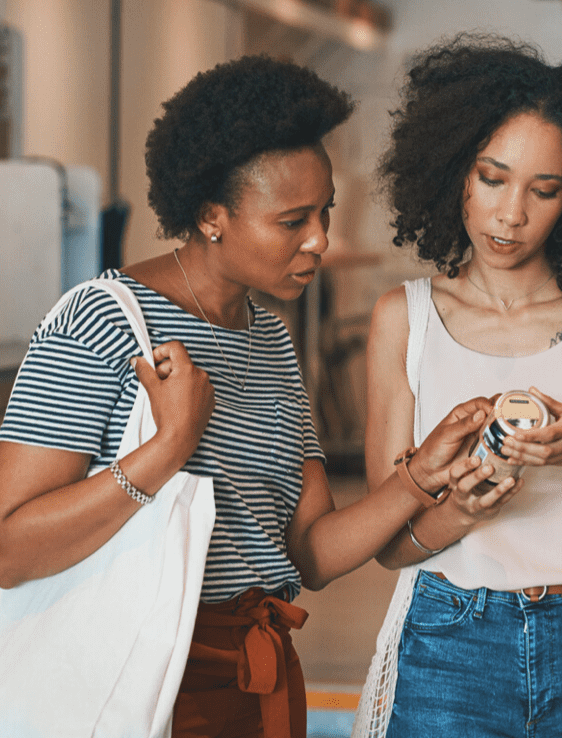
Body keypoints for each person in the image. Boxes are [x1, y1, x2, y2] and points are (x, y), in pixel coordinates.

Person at [0, 55, 506, 738]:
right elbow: (10, 550)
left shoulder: (268, 339)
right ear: (212, 216)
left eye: (323, 212)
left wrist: (422, 477)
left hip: (256, 678)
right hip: (136, 678)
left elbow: (310, 555)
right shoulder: (99, 322)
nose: (320, 240)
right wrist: (166, 449)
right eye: (292, 220)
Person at [357, 35, 562, 738]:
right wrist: (461, 511)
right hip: (451, 642)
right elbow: (389, 542)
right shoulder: (403, 319)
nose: (510, 215)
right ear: (453, 174)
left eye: (544, 190)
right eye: (492, 178)